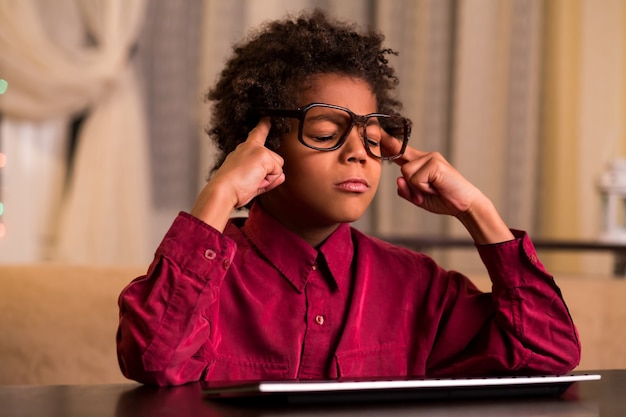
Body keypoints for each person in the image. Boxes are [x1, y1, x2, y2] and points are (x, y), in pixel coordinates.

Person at [116, 10, 580, 386]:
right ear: (263, 147)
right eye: (326, 133)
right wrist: (218, 194)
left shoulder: (416, 286)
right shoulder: (207, 281)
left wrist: (476, 210)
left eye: (373, 137)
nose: (360, 153)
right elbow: (154, 358)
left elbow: (549, 353)